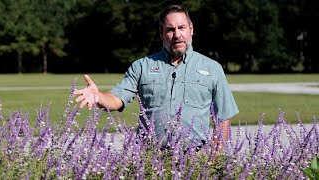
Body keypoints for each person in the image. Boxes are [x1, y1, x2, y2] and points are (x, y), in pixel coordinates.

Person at [74, 4, 239, 151]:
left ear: (191, 29)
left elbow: (223, 116)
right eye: (170, 29)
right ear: (161, 33)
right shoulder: (142, 66)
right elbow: (117, 100)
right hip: (150, 158)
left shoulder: (212, 68)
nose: (177, 35)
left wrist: (216, 153)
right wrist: (99, 97)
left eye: (182, 28)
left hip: (194, 159)